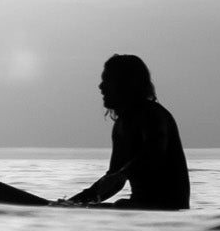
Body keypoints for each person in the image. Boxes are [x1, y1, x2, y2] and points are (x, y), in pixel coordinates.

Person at [65, 53, 190, 210]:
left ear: (125, 84)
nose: (101, 87)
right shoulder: (121, 125)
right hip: (140, 207)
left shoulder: (152, 115)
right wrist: (72, 204)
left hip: (168, 209)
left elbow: (155, 151)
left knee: (119, 205)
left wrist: (123, 174)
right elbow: (112, 180)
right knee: (109, 206)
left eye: (107, 81)